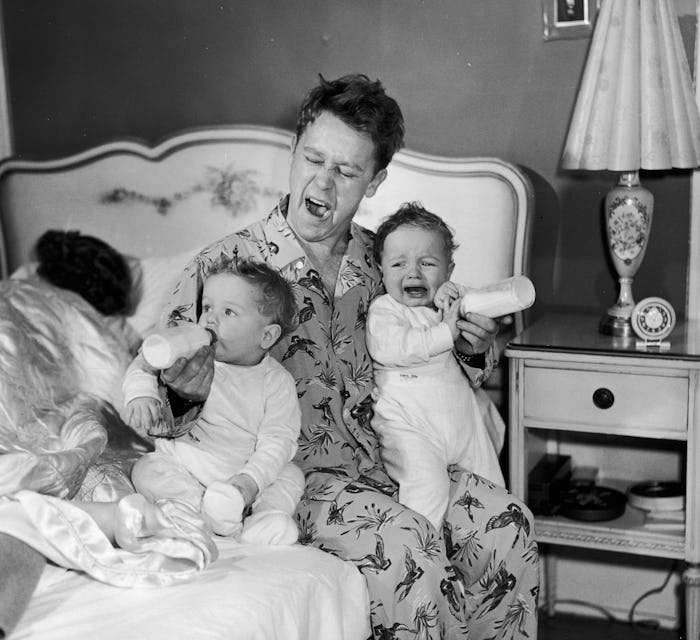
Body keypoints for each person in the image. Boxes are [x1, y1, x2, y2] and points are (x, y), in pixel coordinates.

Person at [154, 73, 538, 639]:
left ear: (377, 180)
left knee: (510, 524)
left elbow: (439, 355)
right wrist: (186, 391)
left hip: (403, 457)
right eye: (314, 159)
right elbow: (159, 400)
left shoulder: (391, 257)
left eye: (347, 171)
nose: (324, 183)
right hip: (298, 483)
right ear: (294, 149)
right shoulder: (225, 267)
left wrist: (471, 346)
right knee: (407, 547)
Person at [122, 257, 305, 545]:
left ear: (266, 335)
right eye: (207, 307)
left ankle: (264, 520)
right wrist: (141, 393)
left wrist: (249, 483)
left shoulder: (276, 382)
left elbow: (279, 441)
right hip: (190, 463)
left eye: (229, 311)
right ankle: (196, 512)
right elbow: (145, 362)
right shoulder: (192, 353)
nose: (210, 319)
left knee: (291, 476)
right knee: (147, 469)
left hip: (243, 473)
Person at [366, 203, 506, 531]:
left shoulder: (447, 305)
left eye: (427, 263)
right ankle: (425, 559)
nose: (413, 273)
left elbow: (486, 307)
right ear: (381, 269)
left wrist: (459, 301)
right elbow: (391, 348)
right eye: (398, 264)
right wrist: (447, 331)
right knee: (426, 491)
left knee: (494, 494)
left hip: (460, 421)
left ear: (448, 269)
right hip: (411, 426)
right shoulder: (385, 310)